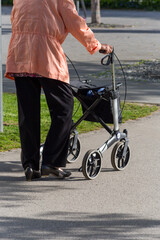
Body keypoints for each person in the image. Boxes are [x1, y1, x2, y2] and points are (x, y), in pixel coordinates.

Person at [5, 0, 112, 181]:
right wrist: (97, 45)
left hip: (20, 53)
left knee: (28, 114)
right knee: (64, 107)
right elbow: (75, 22)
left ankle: (30, 164)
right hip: (46, 55)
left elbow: (16, 18)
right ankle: (51, 162)